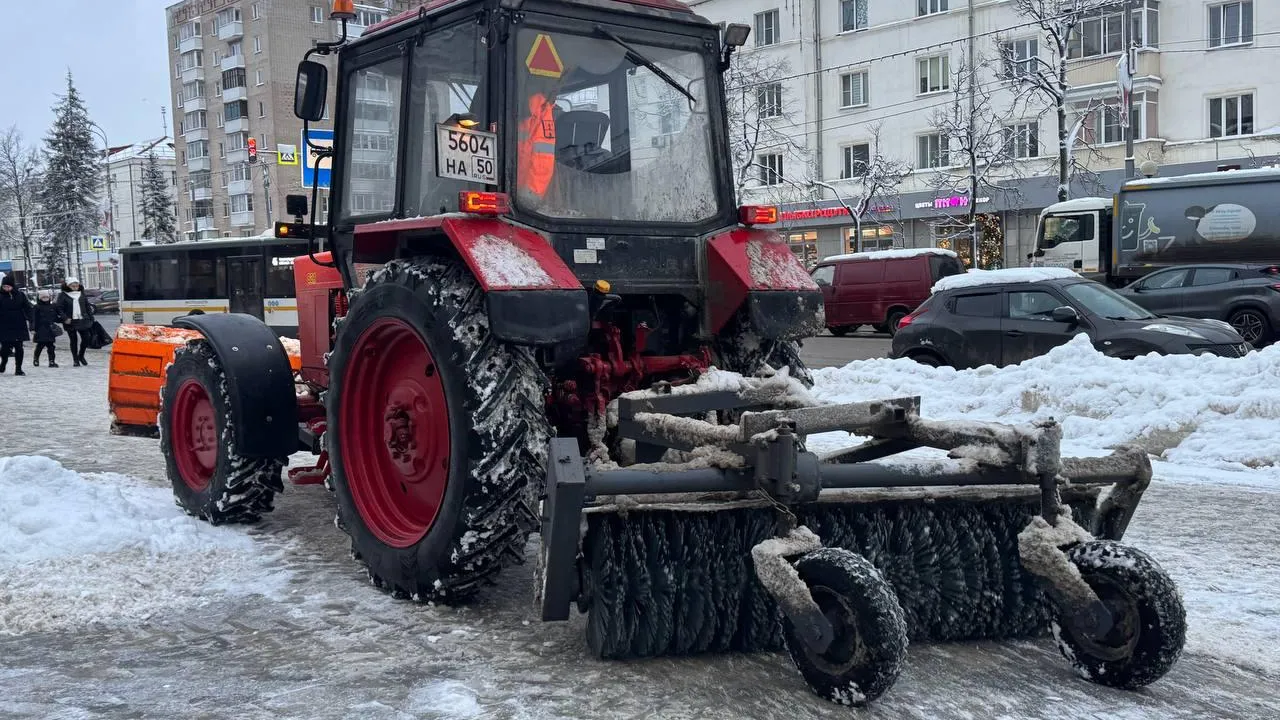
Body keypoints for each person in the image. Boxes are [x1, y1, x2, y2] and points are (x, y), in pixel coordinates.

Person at [57, 276, 95, 367]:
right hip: (70, 321)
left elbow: (87, 306)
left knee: (86, 338)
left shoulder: (81, 293)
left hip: (83, 319)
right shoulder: (63, 295)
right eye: (73, 286)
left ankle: (81, 355)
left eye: (76, 285)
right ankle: (75, 359)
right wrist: (65, 318)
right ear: (68, 286)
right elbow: (59, 308)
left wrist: (91, 317)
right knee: (73, 340)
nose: (75, 287)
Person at [0, 274, 32, 376]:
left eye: (8, 286)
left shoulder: (20, 295)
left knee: (19, 347)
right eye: (4, 286)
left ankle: (18, 368)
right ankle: (3, 362)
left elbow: (27, 307)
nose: (6, 288)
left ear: (12, 286)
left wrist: (31, 319)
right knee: (5, 348)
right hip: (4, 324)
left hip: (19, 323)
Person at [31, 289, 63, 368]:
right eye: (43, 297)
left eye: (47, 297)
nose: (45, 299)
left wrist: (63, 320)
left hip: (50, 329)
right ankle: (36, 359)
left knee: (51, 347)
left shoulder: (52, 306)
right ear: (40, 298)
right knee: (40, 345)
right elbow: (33, 319)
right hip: (40, 329)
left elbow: (55, 317)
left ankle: (51, 361)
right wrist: (32, 328)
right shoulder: (36, 307)